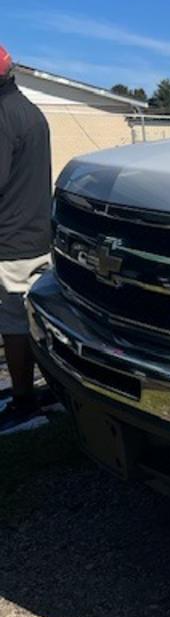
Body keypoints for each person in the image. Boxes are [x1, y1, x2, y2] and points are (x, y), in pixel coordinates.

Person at [0, 44, 53, 435]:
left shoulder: (3, 117)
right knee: (36, 319)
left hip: (11, 241)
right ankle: (49, 392)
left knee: (15, 324)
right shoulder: (28, 111)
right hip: (34, 234)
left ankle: (24, 403)